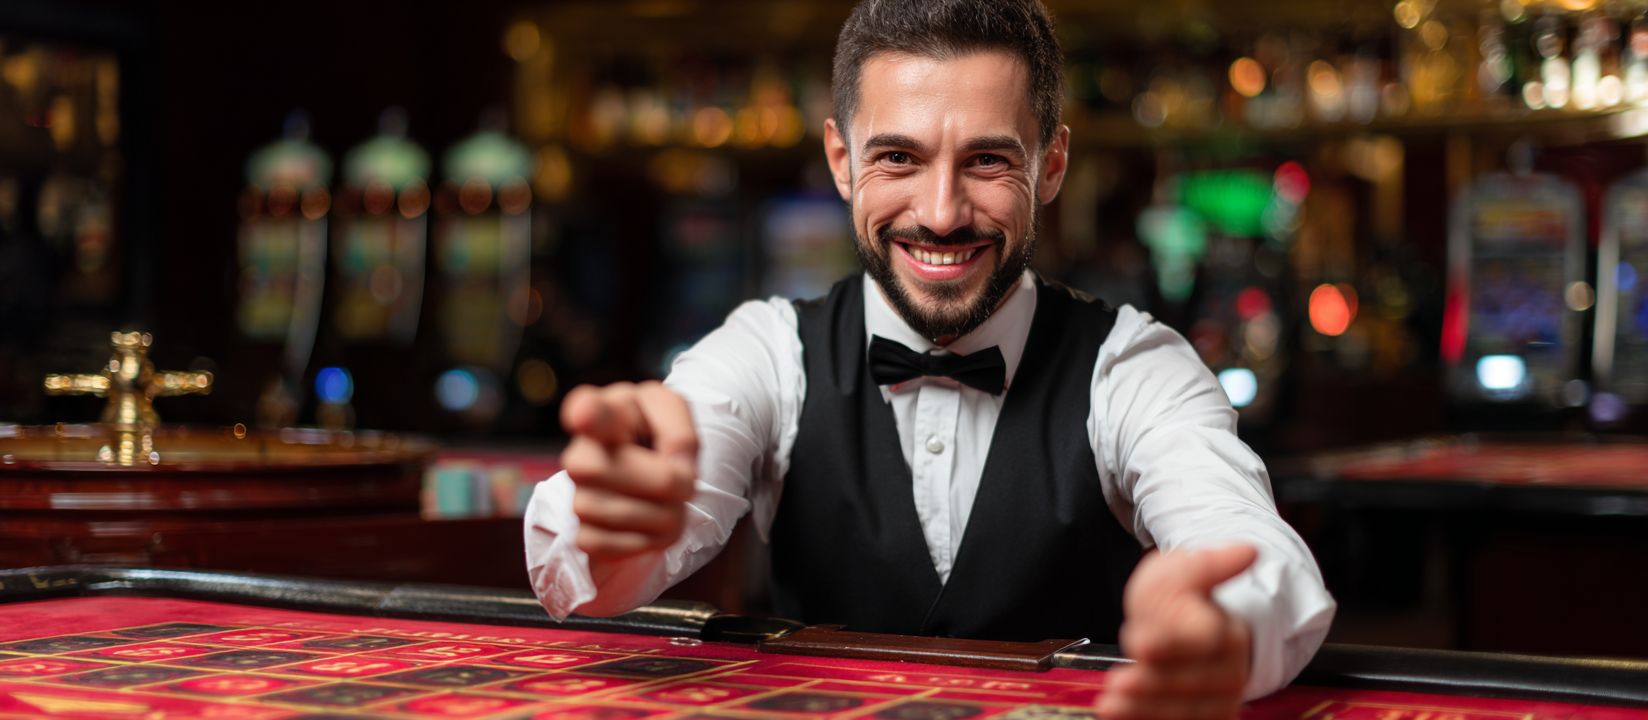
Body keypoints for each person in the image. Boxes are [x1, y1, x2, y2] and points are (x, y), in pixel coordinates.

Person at [526, 1, 1336, 717]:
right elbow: (586, 555)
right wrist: (613, 531)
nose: (942, 213)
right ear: (842, 162)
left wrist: (1222, 629)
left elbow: (1251, 550)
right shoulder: (767, 351)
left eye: (987, 160)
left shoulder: (1135, 366)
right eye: (898, 159)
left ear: (1049, 165)